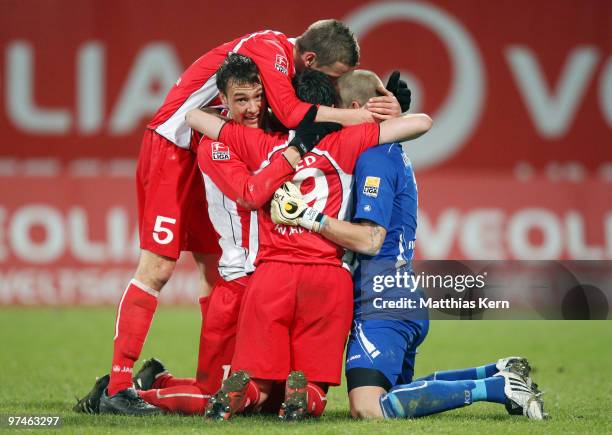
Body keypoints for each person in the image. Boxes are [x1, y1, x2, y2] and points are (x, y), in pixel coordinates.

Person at [94, 19, 401, 415]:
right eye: (336, 76)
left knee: (213, 270)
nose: (336, 88)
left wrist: (387, 107)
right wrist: (355, 118)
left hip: (216, 145)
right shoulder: (269, 47)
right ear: (310, 58)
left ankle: (203, 377)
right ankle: (116, 385)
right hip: (173, 145)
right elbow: (293, 116)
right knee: (158, 267)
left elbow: (319, 110)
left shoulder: (288, 74)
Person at [272, 70, 547, 421]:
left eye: (335, 109)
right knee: (398, 396)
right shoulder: (385, 150)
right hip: (396, 293)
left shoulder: (374, 158)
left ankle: (498, 388)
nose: (328, 118)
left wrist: (307, 216)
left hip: (381, 300)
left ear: (355, 107)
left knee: (368, 407)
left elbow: (371, 240)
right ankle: (493, 372)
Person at [72, 53, 328, 415]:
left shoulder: (270, 135)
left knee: (265, 400)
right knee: (223, 400)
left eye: (259, 97)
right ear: (222, 101)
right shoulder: (218, 144)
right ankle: (118, 391)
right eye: (241, 100)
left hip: (271, 285)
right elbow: (252, 194)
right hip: (239, 285)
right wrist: (297, 148)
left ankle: (154, 381)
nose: (253, 107)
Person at [186, 68, 432, 421]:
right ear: (332, 108)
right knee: (315, 384)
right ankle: (306, 396)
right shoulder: (350, 141)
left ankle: (244, 393)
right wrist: (377, 111)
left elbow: (196, 117)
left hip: (270, 275)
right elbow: (421, 123)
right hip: (327, 277)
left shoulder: (262, 144)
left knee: (261, 384)